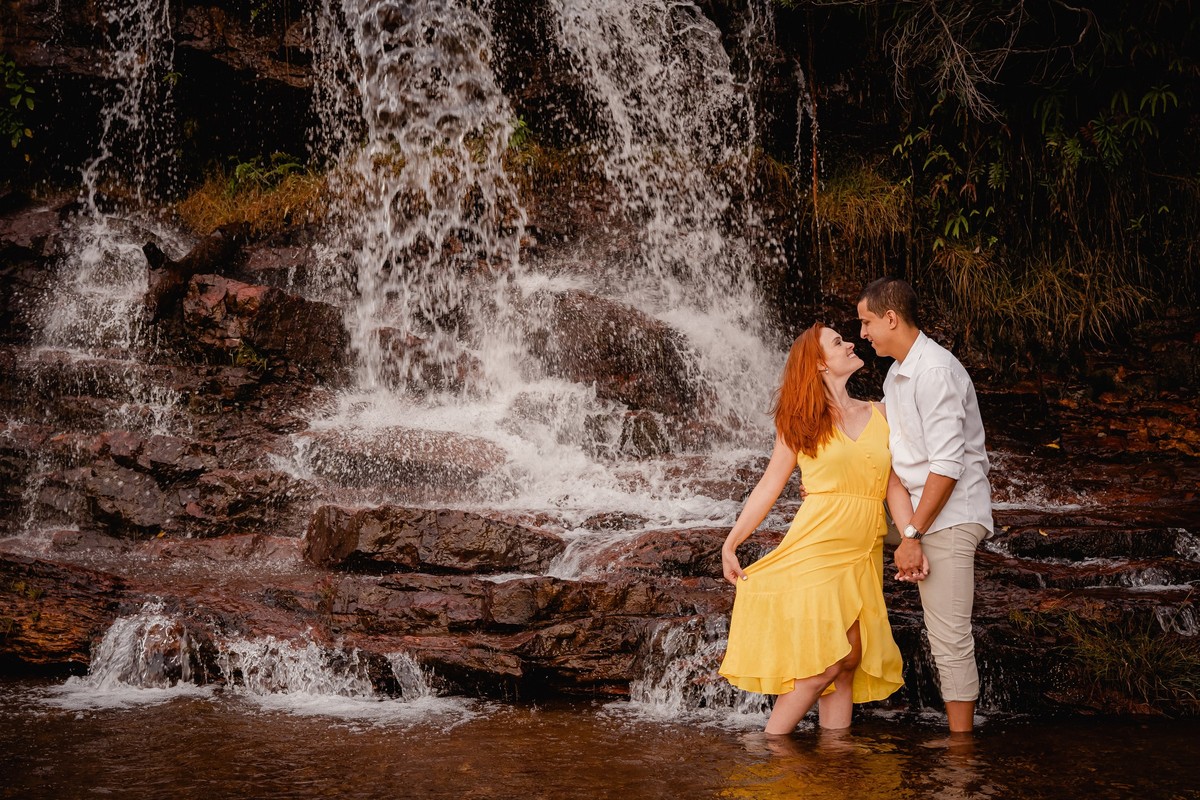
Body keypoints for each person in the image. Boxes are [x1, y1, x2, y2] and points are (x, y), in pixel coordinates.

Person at [719, 323, 905, 734]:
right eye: (839, 342)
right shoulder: (801, 421)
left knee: (849, 661)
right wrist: (731, 543)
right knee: (825, 662)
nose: (851, 343)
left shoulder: (883, 412)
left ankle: (835, 757)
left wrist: (913, 539)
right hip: (817, 546)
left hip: (862, 548)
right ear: (819, 364)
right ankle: (771, 748)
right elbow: (769, 484)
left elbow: (894, 484)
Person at [856, 276, 993, 734]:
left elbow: (948, 466)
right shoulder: (898, 373)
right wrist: (905, 532)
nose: (863, 333)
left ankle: (961, 752)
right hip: (913, 511)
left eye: (867, 322)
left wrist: (913, 535)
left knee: (949, 637)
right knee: (844, 530)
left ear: (891, 318)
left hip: (950, 515)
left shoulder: (934, 371)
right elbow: (894, 465)